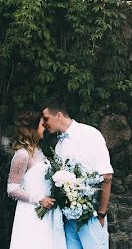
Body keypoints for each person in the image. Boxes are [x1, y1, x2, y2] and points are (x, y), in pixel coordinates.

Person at [41, 99, 113, 249]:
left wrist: (101, 214)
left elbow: (106, 176)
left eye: (46, 118)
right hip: (68, 219)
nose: (44, 124)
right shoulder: (59, 144)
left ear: (58, 115)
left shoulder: (90, 134)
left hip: (91, 216)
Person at [7, 110, 66, 249]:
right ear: (32, 129)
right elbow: (12, 189)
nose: (45, 127)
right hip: (31, 213)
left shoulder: (38, 151)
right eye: (41, 124)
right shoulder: (22, 155)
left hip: (47, 211)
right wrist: (39, 199)